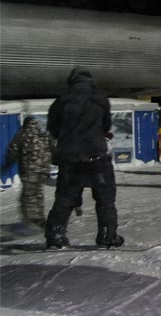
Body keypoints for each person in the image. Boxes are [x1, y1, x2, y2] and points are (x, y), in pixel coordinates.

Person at [45, 67, 124, 249]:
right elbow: (106, 126)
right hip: (97, 157)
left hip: (70, 158)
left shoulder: (61, 101)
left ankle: (55, 234)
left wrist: (68, 140)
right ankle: (107, 235)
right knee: (105, 198)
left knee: (65, 198)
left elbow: (53, 128)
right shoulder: (100, 99)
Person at [4, 116, 52, 228]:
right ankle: (39, 218)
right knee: (38, 193)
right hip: (42, 170)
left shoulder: (23, 134)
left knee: (28, 195)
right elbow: (54, 148)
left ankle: (30, 219)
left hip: (28, 170)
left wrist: (7, 164)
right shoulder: (44, 134)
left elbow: (12, 149)